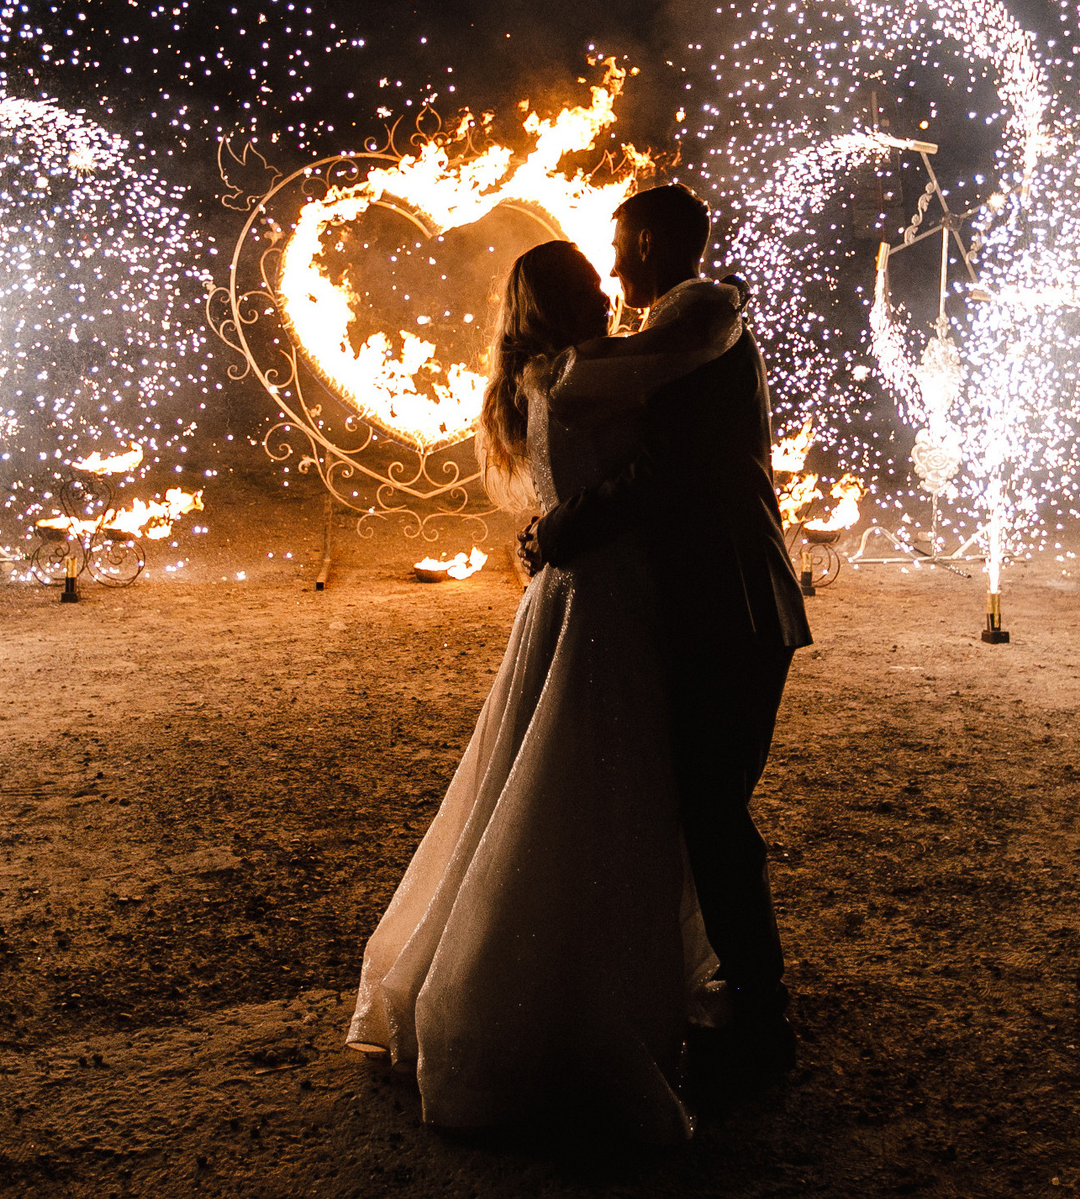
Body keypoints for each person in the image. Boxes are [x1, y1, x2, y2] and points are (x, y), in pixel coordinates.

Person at [345, 236, 748, 1142]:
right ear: (571, 300)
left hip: (565, 591)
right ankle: (570, 1004)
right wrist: (710, 286)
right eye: (595, 282)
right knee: (603, 783)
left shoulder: (532, 376)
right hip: (607, 592)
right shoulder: (579, 372)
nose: (611, 291)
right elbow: (697, 340)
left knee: (543, 773)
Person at [524, 182, 812, 1096]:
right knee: (709, 802)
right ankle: (743, 990)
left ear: (650, 241)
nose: (611, 267)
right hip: (732, 597)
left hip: (727, 599)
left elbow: (664, 475)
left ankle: (763, 1020)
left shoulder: (692, 335)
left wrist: (563, 528)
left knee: (714, 810)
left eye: (619, 246)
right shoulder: (679, 338)